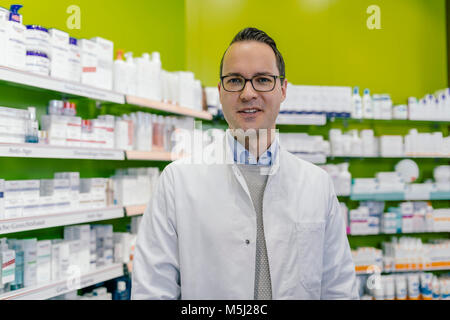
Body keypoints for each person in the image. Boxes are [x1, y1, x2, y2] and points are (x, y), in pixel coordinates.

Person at [132, 27, 359, 300]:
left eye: (262, 80)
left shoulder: (316, 183)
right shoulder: (177, 181)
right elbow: (153, 290)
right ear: (220, 91)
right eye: (235, 80)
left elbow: (338, 287)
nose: (248, 93)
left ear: (283, 89)